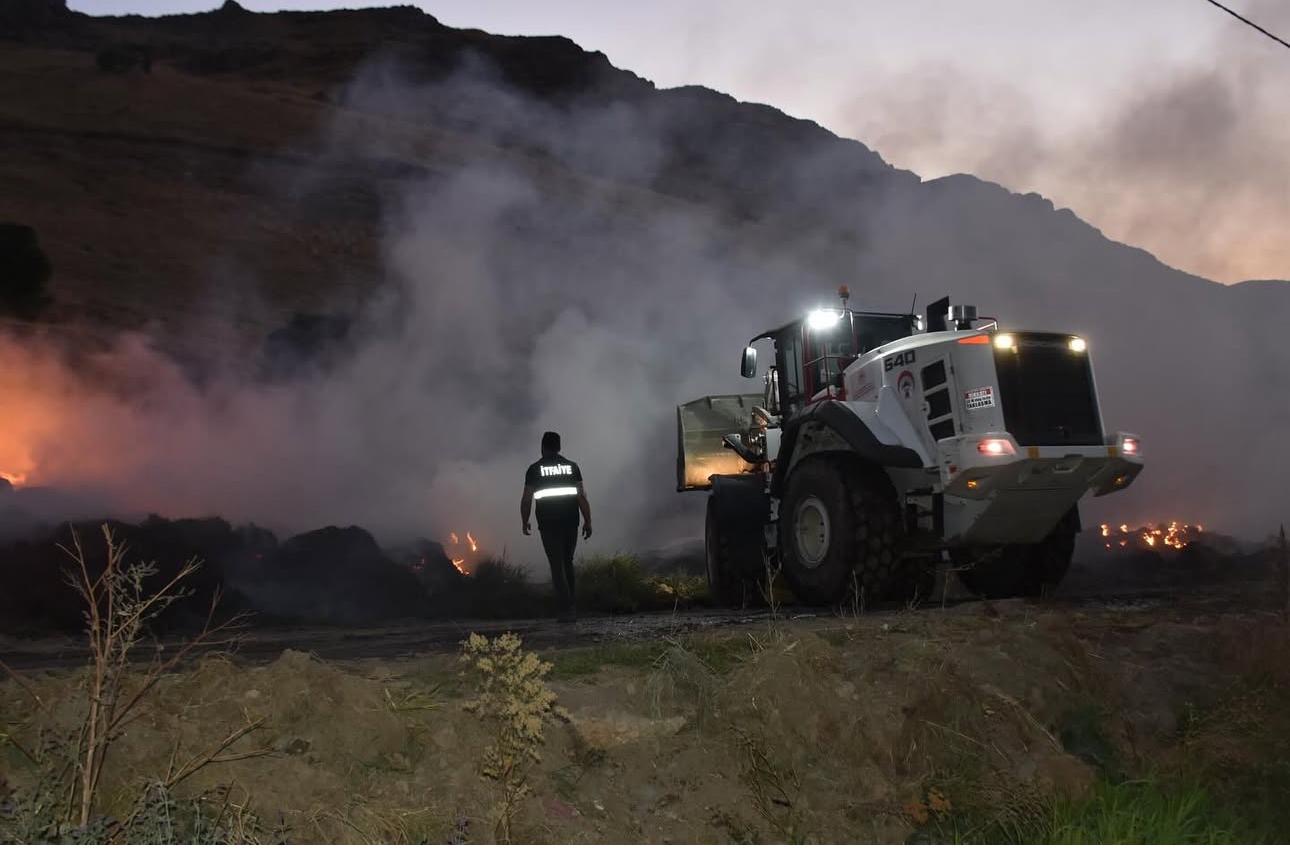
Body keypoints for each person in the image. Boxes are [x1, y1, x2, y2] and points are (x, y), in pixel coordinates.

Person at [521, 431, 592, 622]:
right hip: (571, 522)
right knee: (567, 562)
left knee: (556, 565)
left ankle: (566, 609)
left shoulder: (534, 469)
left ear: (542, 447)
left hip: (548, 524)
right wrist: (588, 521)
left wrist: (524, 520)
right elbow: (581, 497)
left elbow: (527, 499)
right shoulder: (572, 467)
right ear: (559, 447)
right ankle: (571, 605)